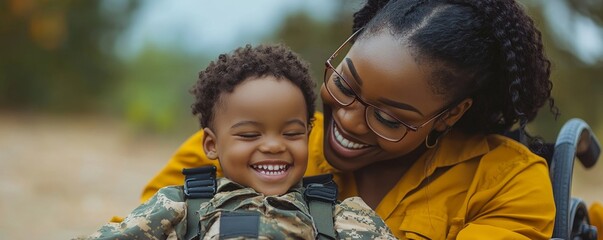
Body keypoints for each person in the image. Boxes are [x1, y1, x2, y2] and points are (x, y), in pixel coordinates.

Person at [141, 0, 563, 239]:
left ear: (450, 114)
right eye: (344, 83)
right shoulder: (248, 144)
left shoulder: (507, 184)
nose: (348, 120)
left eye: (388, 117)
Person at [76, 44, 396, 239]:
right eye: (249, 134)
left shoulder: (340, 215)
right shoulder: (180, 206)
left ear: (308, 134)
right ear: (212, 145)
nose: (273, 146)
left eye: (291, 133)